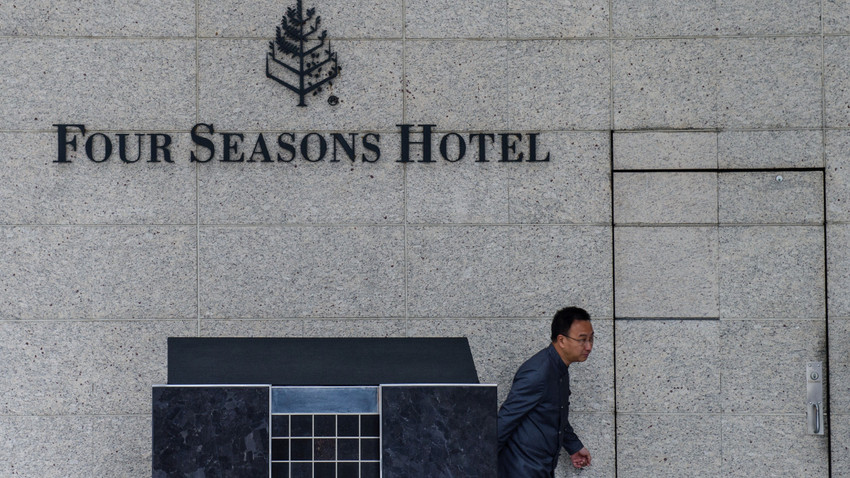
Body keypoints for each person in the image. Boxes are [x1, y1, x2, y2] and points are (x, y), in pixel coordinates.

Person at [497, 306, 594, 477]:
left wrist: (574, 446)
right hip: (521, 470)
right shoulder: (537, 373)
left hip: (540, 469)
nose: (588, 347)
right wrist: (476, 464)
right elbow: (504, 420)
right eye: (582, 340)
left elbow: (555, 413)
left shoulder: (560, 369)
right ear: (562, 340)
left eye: (591, 339)